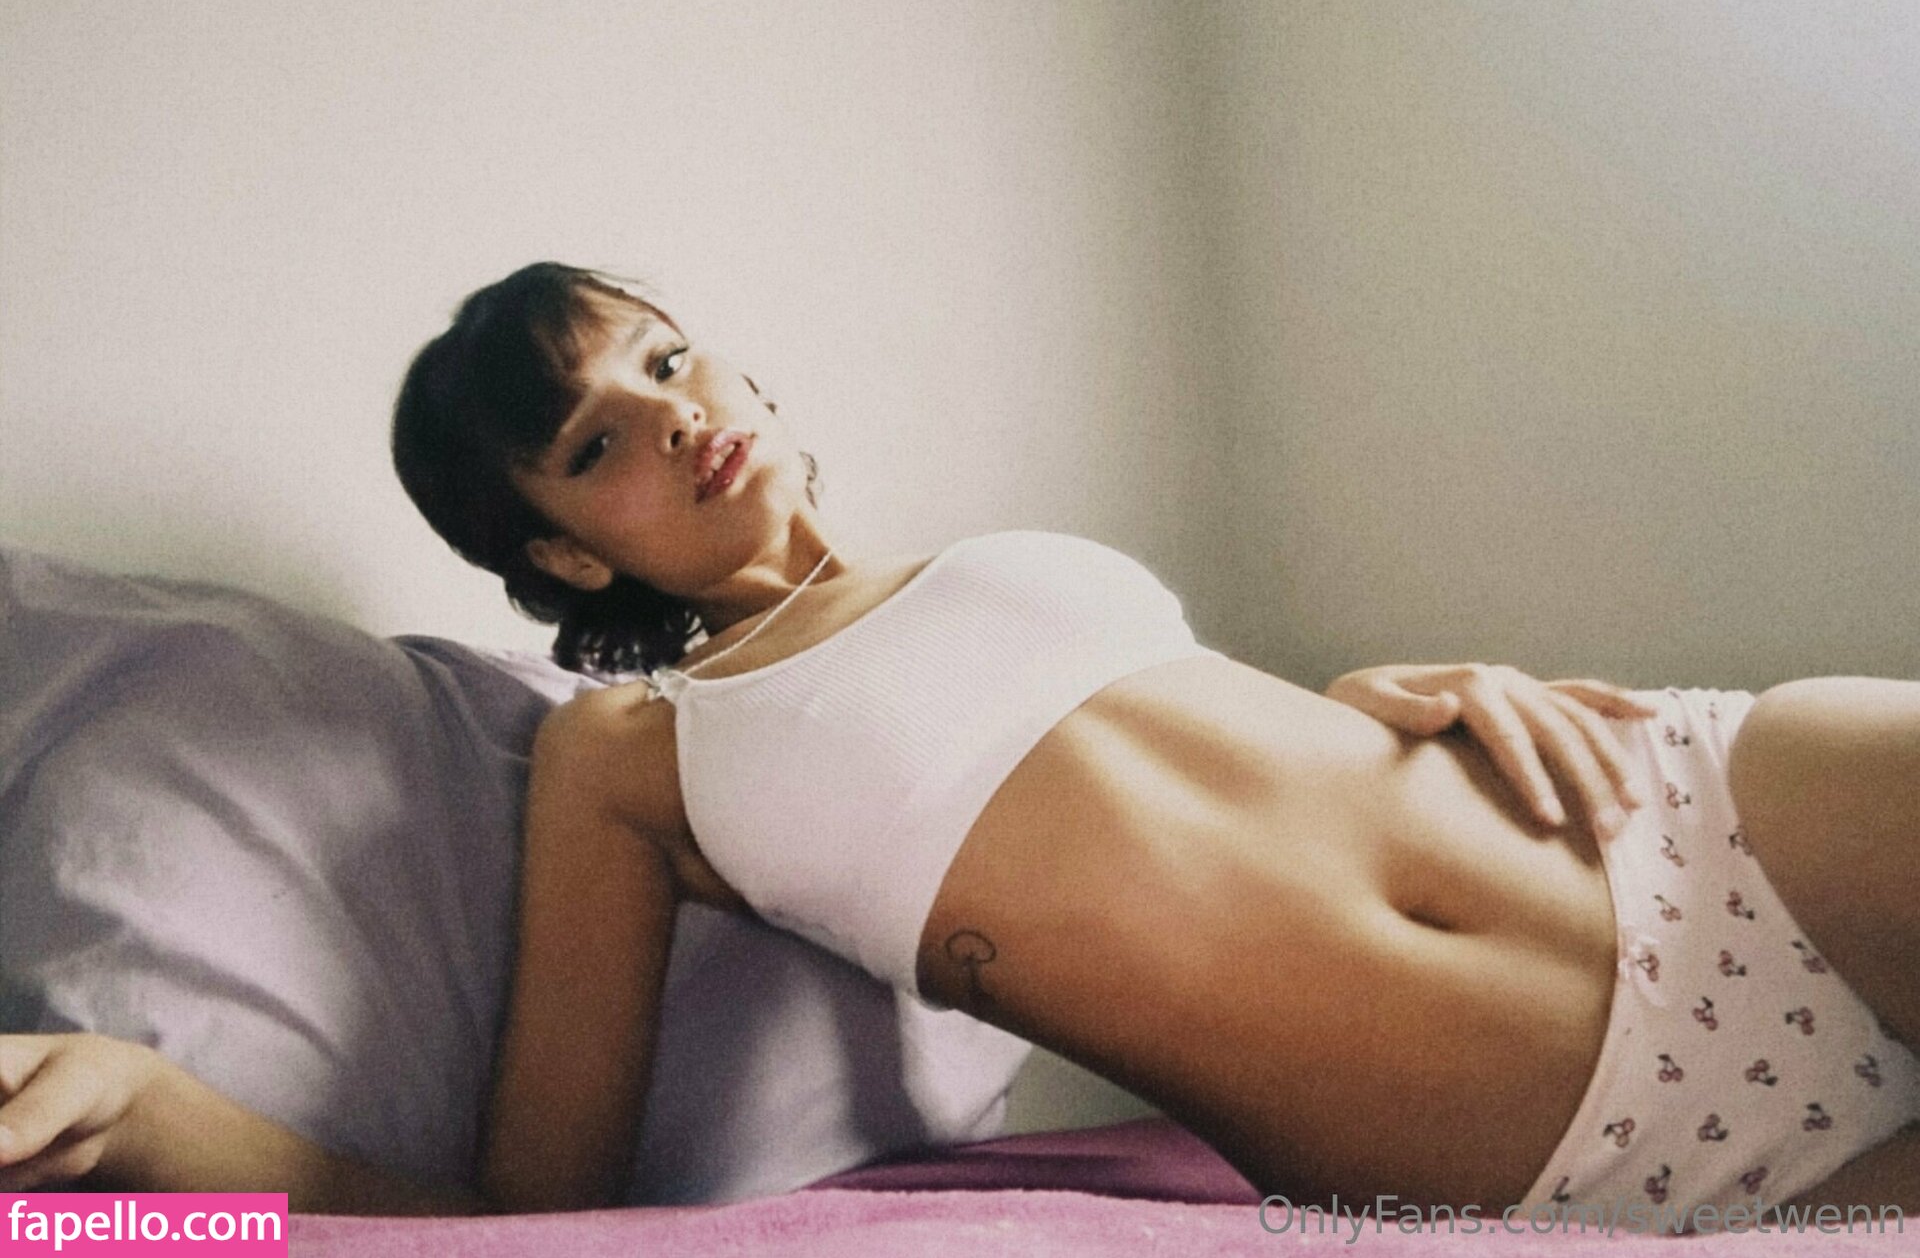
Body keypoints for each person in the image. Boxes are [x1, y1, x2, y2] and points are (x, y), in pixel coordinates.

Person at [3, 263, 1914, 1223]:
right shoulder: (638, 754)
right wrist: (167, 1132)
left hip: (1686, 808)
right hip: (1570, 1139)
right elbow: (528, 1226)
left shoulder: (989, 556)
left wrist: (1386, 687)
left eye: (663, 356)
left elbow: (1191, 749)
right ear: (567, 550)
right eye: (593, 440)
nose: (668, 412)